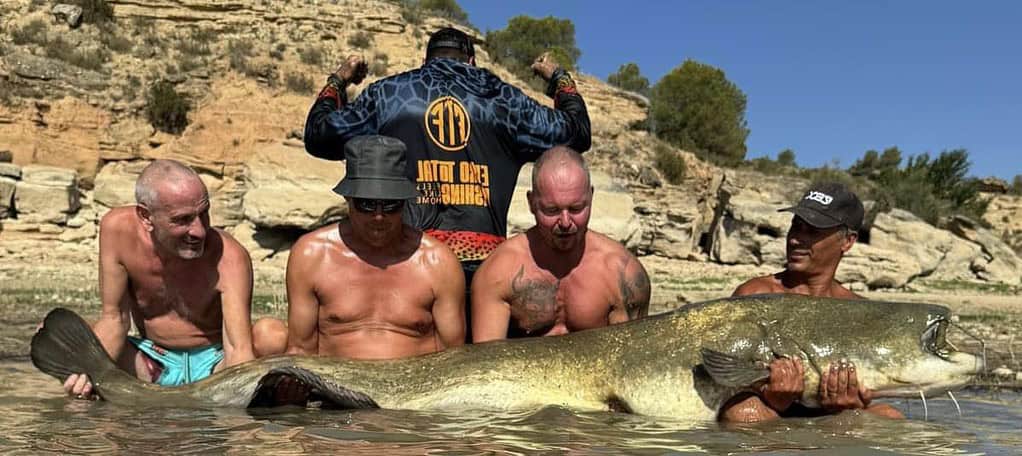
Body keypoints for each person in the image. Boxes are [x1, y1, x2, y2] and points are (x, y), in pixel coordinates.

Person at [302, 27, 592, 330]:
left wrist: (338, 81)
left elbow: (319, 135)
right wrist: (559, 79)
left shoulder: (390, 94)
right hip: (487, 272)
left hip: (413, 262)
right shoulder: (503, 100)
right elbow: (577, 132)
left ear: (425, 60)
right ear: (473, 61)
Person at [254, 136, 465, 359]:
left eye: (391, 204)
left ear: (405, 202)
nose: (378, 216)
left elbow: (453, 356)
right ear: (348, 198)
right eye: (366, 203)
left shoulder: (438, 262)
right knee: (266, 333)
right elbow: (301, 348)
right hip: (333, 385)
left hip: (416, 387)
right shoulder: (311, 255)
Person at [63, 159, 257, 399]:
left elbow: (239, 350)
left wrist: (237, 423)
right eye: (183, 219)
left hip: (216, 366)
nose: (199, 231)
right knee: (62, 338)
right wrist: (88, 372)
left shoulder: (230, 256)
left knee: (272, 335)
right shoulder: (117, 231)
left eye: (204, 214)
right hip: (151, 362)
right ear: (146, 217)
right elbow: (115, 319)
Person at [720, 182, 903, 423]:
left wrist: (852, 403)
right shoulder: (755, 293)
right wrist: (770, 396)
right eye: (796, 227)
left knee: (892, 417)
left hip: (828, 416)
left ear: (847, 241)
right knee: (742, 414)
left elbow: (870, 386)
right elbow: (725, 374)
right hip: (770, 411)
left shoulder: (859, 310)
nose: (796, 239)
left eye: (812, 231)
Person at [470, 146, 650, 342]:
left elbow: (630, 362)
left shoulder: (623, 275)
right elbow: (487, 364)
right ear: (531, 203)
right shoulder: (498, 272)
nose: (565, 222)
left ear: (591, 196)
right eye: (552, 210)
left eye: (576, 208)